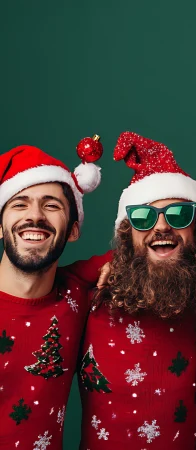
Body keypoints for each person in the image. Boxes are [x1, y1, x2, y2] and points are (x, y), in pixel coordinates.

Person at [78, 132, 196, 449]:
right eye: (143, 217)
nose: (161, 227)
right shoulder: (93, 292)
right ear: (127, 234)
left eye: (178, 214)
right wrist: (106, 263)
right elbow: (45, 279)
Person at [0, 143, 107, 450]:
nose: (34, 216)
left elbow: (142, 254)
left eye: (51, 206)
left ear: (73, 230)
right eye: (19, 204)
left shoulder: (75, 295)